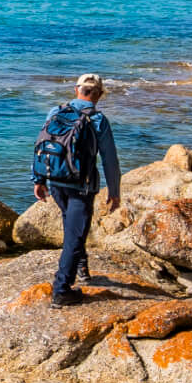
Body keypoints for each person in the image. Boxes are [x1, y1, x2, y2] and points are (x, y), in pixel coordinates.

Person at [31, 73, 122, 307]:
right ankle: (61, 290)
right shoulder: (98, 119)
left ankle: (81, 265)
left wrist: (38, 179)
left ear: (76, 90)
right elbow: (109, 159)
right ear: (99, 94)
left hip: (55, 181)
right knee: (74, 235)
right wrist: (114, 191)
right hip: (81, 186)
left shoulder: (55, 111)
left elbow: (43, 144)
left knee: (72, 228)